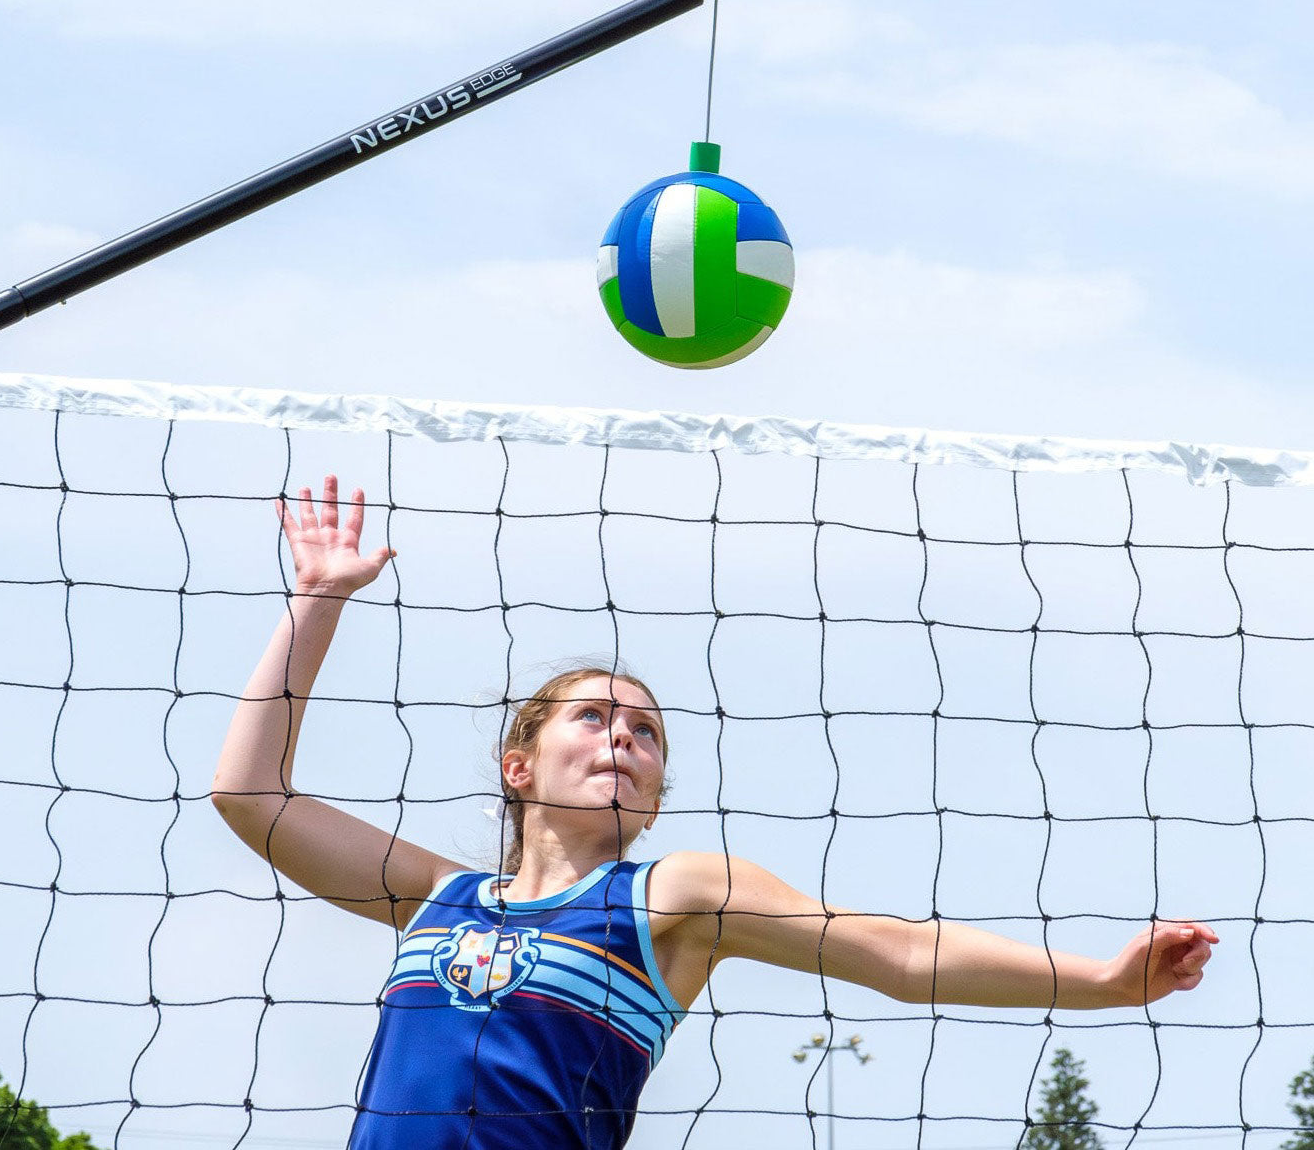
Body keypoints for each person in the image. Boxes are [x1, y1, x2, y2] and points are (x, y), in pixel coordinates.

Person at [213, 477, 1219, 1150]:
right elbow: (249, 792)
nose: (622, 738)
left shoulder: (673, 895)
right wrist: (320, 599)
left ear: (650, 795)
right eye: (594, 717)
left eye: (643, 732)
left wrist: (1101, 981)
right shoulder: (436, 895)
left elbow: (895, 952)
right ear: (518, 764)